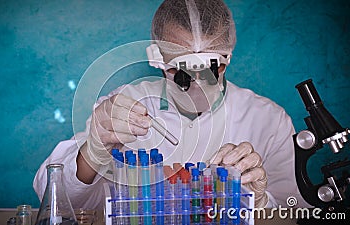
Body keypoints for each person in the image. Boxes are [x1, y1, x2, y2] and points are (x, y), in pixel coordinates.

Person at [33, 0, 310, 210]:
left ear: (226, 59)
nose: (197, 85)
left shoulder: (268, 119)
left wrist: (259, 202)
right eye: (182, 72)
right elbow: (54, 198)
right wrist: (94, 150)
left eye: (210, 69)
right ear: (158, 59)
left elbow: (295, 208)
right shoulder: (123, 107)